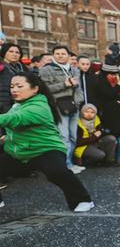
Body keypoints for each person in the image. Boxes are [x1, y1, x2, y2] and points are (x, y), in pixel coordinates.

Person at [0, 73, 94, 212]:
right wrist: (7, 138)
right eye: (12, 86)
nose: (14, 90)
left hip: (45, 150)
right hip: (22, 152)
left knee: (57, 173)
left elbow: (15, 119)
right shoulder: (17, 105)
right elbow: (16, 125)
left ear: (35, 89)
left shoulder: (39, 106)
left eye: (20, 86)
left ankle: (83, 199)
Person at [38, 45, 84, 173]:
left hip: (74, 105)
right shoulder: (46, 70)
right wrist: (64, 84)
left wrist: (79, 101)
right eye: (57, 53)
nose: (60, 56)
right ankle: (65, 166)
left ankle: (70, 163)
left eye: (63, 53)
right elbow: (44, 90)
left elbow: (78, 88)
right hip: (59, 106)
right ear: (53, 56)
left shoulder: (74, 70)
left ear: (68, 55)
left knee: (73, 137)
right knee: (64, 137)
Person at [0, 43, 26, 114]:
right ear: (4, 53)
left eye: (17, 52)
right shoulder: (1, 67)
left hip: (20, 104)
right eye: (11, 51)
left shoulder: (23, 68)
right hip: (5, 107)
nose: (14, 54)